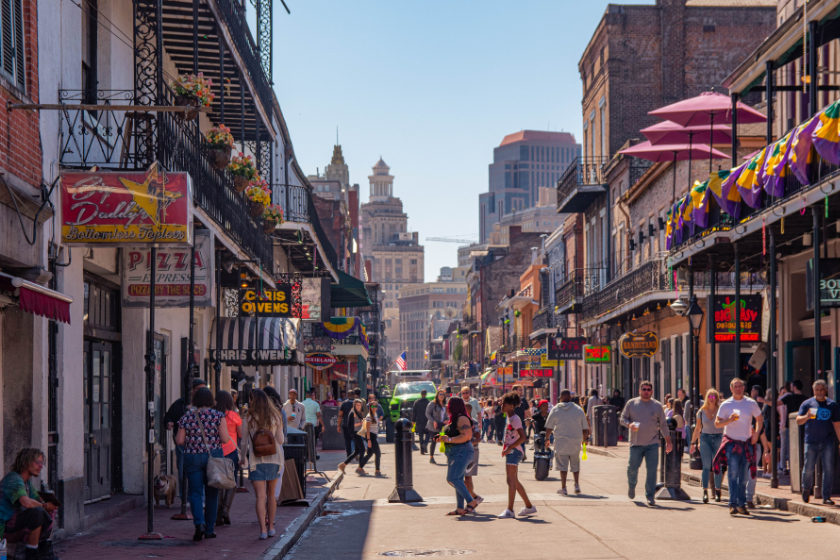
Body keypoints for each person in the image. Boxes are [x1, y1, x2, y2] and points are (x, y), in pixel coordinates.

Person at [175, 387, 231, 541]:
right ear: (211, 400)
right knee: (212, 495)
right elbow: (225, 439)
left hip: (192, 457)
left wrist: (193, 440)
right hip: (213, 457)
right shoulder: (218, 416)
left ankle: (199, 524)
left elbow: (179, 440)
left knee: (195, 493)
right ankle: (209, 529)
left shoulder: (187, 417)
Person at [239, 389, 285, 540]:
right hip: (274, 459)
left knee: (260, 496)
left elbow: (244, 442)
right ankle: (271, 527)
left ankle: (263, 530)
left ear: (253, 401)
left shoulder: (248, 418)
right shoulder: (276, 416)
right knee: (271, 495)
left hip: (256, 460)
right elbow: (280, 440)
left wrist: (242, 458)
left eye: (250, 399)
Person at [714, 377, 763, 516]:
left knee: (744, 477)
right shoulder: (726, 404)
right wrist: (729, 420)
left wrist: (757, 434)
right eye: (735, 386)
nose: (738, 388)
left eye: (740, 386)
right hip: (731, 443)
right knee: (733, 473)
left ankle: (742, 504)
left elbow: (759, 419)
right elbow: (717, 423)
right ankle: (733, 504)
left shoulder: (750, 403)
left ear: (743, 388)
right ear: (731, 388)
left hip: (746, 443)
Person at [620, 381, 672, 506]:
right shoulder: (631, 403)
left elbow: (664, 425)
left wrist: (668, 442)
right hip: (636, 443)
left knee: (652, 470)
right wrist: (629, 424)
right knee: (632, 468)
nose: (646, 391)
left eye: (649, 389)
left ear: (652, 391)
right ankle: (632, 485)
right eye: (644, 389)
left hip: (652, 444)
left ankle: (650, 496)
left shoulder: (657, 405)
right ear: (640, 391)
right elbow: (622, 418)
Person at [0, 449, 59, 560]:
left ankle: (45, 547)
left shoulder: (26, 483)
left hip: (13, 525)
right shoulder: (13, 479)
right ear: (26, 462)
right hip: (3, 527)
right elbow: (26, 503)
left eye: (42, 463)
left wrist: (48, 504)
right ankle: (32, 554)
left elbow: (38, 499)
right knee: (38, 512)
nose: (41, 466)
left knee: (46, 509)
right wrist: (45, 506)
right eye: (37, 462)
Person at [164, 378, 208, 509]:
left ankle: (200, 497)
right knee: (183, 471)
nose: (203, 392)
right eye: (200, 389)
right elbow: (168, 416)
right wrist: (168, 423)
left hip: (200, 444)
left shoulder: (206, 405)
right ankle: (185, 498)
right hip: (183, 444)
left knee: (201, 472)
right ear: (192, 390)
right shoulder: (180, 404)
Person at [434, 397, 481, 516]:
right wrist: (442, 437)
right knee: (458, 479)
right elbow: (454, 434)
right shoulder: (455, 419)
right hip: (456, 453)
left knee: (452, 478)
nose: (447, 407)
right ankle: (460, 508)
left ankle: (471, 501)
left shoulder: (462, 418)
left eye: (448, 404)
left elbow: (467, 436)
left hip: (462, 452)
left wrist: (449, 439)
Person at [796, 379, 840, 505]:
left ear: (825, 390)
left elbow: (837, 425)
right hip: (811, 441)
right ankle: (806, 489)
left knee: (828, 469)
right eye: (817, 390)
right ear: (813, 390)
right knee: (809, 468)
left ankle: (826, 496)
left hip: (827, 441)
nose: (819, 392)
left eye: (821, 389)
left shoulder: (832, 405)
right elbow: (798, 420)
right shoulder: (807, 404)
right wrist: (806, 416)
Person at [498, 391, 536, 518]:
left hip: (514, 451)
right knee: (514, 481)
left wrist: (510, 447)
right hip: (512, 451)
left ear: (510, 406)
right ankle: (529, 507)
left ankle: (510, 510)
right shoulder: (510, 418)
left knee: (510, 480)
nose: (501, 406)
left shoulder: (515, 419)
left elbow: (523, 437)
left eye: (504, 404)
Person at [545, 390, 590, 495]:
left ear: (560, 397)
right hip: (575, 441)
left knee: (563, 467)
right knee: (575, 464)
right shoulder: (578, 410)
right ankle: (577, 484)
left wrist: (547, 439)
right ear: (570, 397)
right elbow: (585, 427)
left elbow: (549, 427)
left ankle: (564, 488)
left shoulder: (555, 409)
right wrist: (584, 440)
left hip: (561, 442)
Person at [690, 388, 723, 503]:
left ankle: (718, 491)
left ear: (717, 398)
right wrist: (693, 443)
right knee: (706, 466)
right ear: (707, 398)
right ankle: (705, 492)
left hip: (719, 438)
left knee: (717, 465)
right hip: (705, 438)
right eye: (710, 396)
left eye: (714, 397)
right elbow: (698, 428)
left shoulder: (720, 410)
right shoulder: (701, 411)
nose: (712, 399)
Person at [214, 390, 242, 526]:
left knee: (218, 482)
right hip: (231, 450)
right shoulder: (233, 415)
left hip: (217, 451)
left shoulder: (214, 415)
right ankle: (225, 509)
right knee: (231, 481)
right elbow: (242, 433)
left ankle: (218, 514)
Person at [779, 380, 806, 475]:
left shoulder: (789, 396)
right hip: (802, 425)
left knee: (790, 448)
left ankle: (792, 469)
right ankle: (801, 466)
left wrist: (764, 400)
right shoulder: (805, 399)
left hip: (790, 426)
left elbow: (776, 403)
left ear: (794, 387)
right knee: (801, 447)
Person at [338, 399, 370, 475]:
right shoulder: (353, 413)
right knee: (362, 449)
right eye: (357, 405)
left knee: (357, 451)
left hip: (358, 433)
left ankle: (343, 465)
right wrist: (361, 423)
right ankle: (360, 468)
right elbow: (351, 425)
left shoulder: (358, 413)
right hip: (355, 433)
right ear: (354, 405)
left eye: (360, 405)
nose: (359, 407)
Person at [464, 403, 482, 502]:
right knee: (461, 478)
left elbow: (479, 438)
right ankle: (474, 498)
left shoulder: (473, 422)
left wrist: (469, 444)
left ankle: (471, 501)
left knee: (468, 477)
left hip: (472, 451)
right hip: (463, 451)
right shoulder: (461, 422)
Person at [363, 393, 385, 476]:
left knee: (370, 454)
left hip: (374, 435)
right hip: (371, 436)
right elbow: (367, 430)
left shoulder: (375, 414)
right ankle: (377, 471)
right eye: (373, 406)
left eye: (376, 406)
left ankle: (360, 468)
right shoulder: (369, 416)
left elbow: (382, 415)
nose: (375, 408)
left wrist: (378, 421)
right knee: (378, 453)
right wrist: (368, 441)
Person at [337, 389, 362, 460]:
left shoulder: (344, 404)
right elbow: (361, 414)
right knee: (356, 440)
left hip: (346, 425)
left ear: (347, 396)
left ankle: (349, 456)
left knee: (347, 441)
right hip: (356, 425)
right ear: (354, 395)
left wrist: (338, 426)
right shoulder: (358, 404)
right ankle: (357, 453)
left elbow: (340, 415)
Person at [425, 390, 448, 464]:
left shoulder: (445, 404)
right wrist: (433, 421)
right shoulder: (432, 403)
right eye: (440, 394)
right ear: (437, 395)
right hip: (433, 425)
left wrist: (446, 420)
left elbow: (447, 414)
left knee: (445, 440)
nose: (441, 396)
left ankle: (448, 457)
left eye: (443, 394)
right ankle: (431, 457)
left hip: (442, 426)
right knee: (434, 441)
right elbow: (427, 413)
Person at [511, 385, 532, 461]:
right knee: (512, 439)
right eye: (520, 390)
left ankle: (522, 454)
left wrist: (530, 418)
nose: (521, 391)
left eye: (522, 390)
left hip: (521, 422)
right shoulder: (510, 399)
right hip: (512, 423)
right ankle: (513, 453)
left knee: (522, 439)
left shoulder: (523, 400)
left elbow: (527, 410)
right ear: (515, 390)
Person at [412, 389, 431, 454]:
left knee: (421, 435)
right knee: (428, 433)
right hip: (426, 420)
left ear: (421, 394)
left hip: (419, 421)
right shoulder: (428, 402)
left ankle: (422, 451)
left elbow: (414, 412)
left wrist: (413, 420)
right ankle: (425, 443)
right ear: (425, 394)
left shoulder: (416, 402)